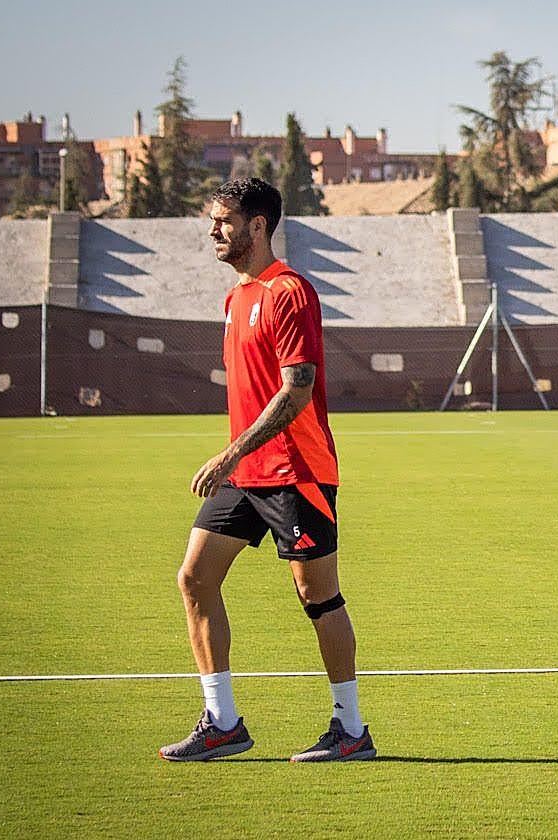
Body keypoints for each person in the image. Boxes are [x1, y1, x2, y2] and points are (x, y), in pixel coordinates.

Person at [159, 178, 375, 763]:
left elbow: (296, 391)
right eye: (213, 219)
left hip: (297, 471)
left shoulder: (289, 292)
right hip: (246, 474)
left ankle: (351, 729)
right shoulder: (235, 300)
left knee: (318, 596)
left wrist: (228, 453)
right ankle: (222, 722)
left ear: (258, 226)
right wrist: (236, 459)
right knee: (195, 578)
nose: (214, 230)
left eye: (224, 220)